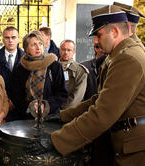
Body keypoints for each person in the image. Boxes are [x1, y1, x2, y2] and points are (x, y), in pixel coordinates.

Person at [43, 5, 145, 166]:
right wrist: (64, 116)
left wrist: (57, 141)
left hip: (133, 150)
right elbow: (99, 99)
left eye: (98, 34)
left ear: (115, 32)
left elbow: (103, 112)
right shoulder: (120, 55)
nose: (95, 41)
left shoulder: (128, 58)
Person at [9, 30, 68, 120]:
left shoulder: (54, 65)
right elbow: (16, 95)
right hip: (27, 118)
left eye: (40, 44)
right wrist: (29, 106)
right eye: (33, 45)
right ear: (26, 48)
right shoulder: (21, 68)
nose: (38, 47)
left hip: (50, 117)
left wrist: (45, 105)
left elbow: (62, 94)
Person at [0, 26, 24, 121]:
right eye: (7, 38)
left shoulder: (27, 58)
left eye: (13, 37)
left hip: (21, 107)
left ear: (18, 39)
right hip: (1, 107)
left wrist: (16, 101)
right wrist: (6, 101)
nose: (10, 40)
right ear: (3, 39)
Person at [58, 40, 88, 109]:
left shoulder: (80, 71)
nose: (66, 52)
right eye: (63, 49)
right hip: (52, 111)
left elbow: (78, 96)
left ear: (74, 52)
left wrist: (63, 109)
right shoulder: (51, 68)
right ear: (59, 50)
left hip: (71, 111)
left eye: (69, 50)